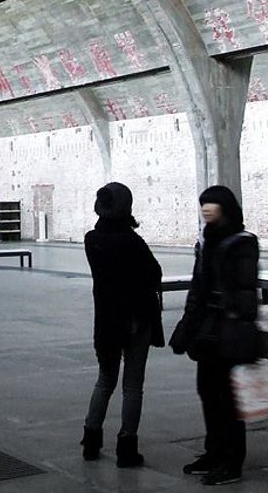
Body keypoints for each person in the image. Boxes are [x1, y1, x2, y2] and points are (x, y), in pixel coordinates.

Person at [170, 185, 260, 486]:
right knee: (207, 390)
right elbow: (198, 287)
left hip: (230, 329)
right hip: (209, 328)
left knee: (229, 397)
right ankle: (214, 451)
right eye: (203, 203)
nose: (206, 208)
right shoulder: (207, 241)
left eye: (212, 203)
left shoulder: (242, 242)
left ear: (226, 207)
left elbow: (243, 289)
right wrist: (187, 325)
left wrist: (231, 311)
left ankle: (232, 462)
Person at [80, 182, 163, 468]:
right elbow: (154, 274)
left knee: (105, 380)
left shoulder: (92, 240)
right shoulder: (132, 242)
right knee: (133, 385)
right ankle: (126, 447)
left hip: (106, 322)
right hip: (136, 321)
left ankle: (91, 440)